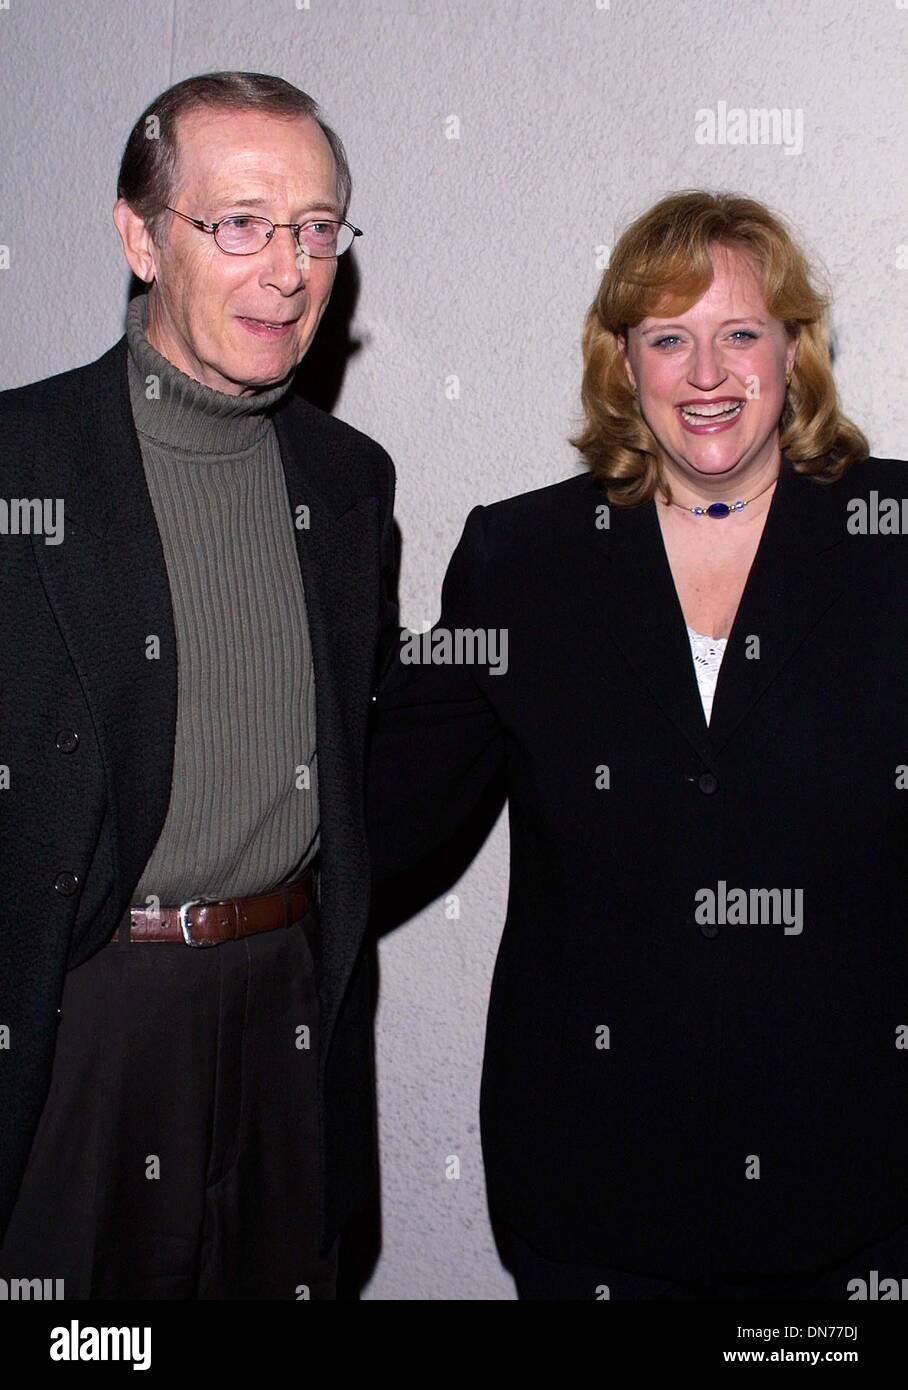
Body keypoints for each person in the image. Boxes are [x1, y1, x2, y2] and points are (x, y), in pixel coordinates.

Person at [367, 190, 908, 1298]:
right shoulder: (520, 557)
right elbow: (373, 804)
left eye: (738, 333)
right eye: (666, 338)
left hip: (857, 1180)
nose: (704, 371)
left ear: (792, 350)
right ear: (621, 364)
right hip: (597, 1179)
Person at [0, 71, 397, 1299]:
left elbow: (365, 751)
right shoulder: (21, 463)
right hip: (81, 1023)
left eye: (316, 229)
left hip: (287, 1009)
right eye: (238, 223)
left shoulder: (349, 482)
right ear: (138, 236)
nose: (287, 270)